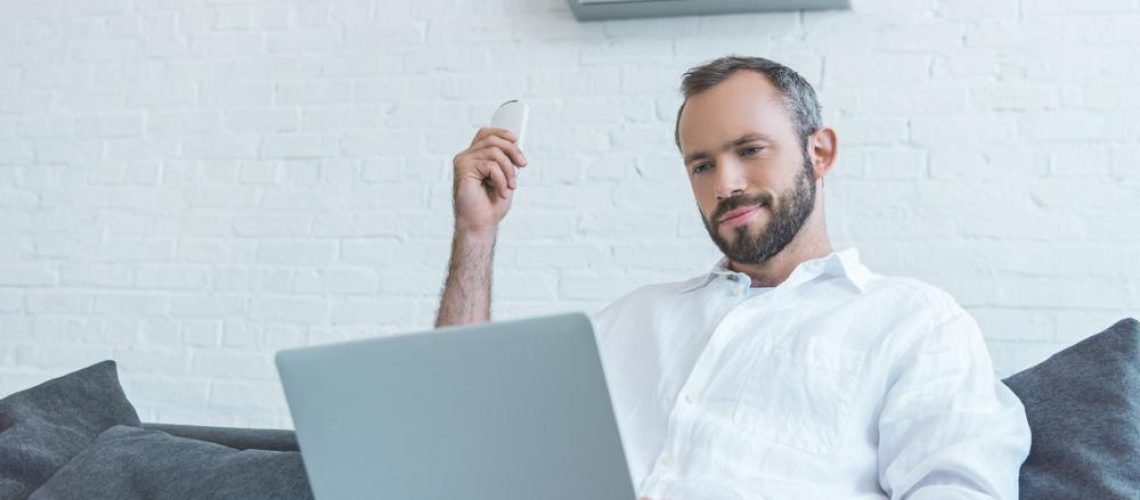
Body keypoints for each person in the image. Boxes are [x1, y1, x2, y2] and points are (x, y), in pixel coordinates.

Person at [435, 55, 1031, 499]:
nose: (725, 184)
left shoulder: (913, 322)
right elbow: (464, 434)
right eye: (702, 164)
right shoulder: (625, 323)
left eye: (750, 150)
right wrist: (477, 234)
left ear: (819, 152)